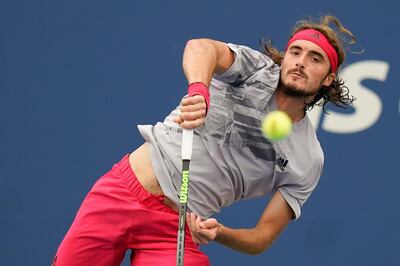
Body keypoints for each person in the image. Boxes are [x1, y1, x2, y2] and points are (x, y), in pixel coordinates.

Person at [53, 15, 356, 265]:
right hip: (122, 192)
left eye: (315, 58)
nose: (301, 62)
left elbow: (262, 236)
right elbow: (200, 47)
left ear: (329, 78)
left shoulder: (308, 159)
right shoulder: (255, 70)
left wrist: (221, 233)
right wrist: (199, 90)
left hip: (176, 229)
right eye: (295, 52)